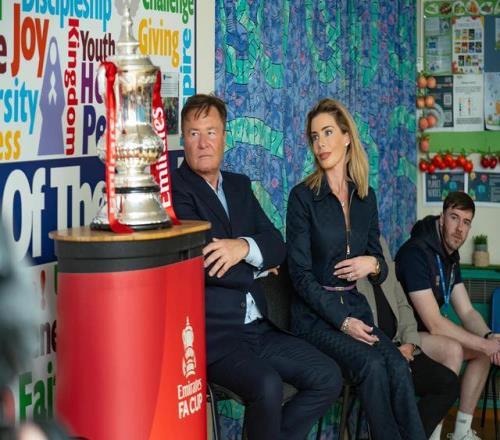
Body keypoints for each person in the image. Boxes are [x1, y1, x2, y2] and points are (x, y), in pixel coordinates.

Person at [171, 94, 342, 440]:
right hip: (215, 338)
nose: (203, 143)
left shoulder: (239, 185)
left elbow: (276, 245)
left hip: (260, 328)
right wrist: (258, 268)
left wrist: (243, 247)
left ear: (224, 137)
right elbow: (204, 265)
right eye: (193, 133)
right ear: (183, 139)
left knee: (328, 376)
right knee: (267, 385)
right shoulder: (175, 190)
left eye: (211, 132)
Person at [286, 98, 426, 440]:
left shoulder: (366, 197)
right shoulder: (302, 197)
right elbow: (300, 276)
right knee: (373, 365)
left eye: (328, 133)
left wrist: (372, 263)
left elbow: (381, 269)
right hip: (315, 319)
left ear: (347, 137)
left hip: (355, 307)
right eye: (314, 136)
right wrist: (343, 321)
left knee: (397, 365)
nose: (320, 144)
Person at [396, 191, 500, 440]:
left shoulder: (449, 257)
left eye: (466, 222)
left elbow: (467, 311)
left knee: (482, 353)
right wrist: (485, 344)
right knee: (452, 349)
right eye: (454, 218)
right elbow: (435, 324)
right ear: (442, 218)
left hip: (427, 335)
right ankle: (432, 434)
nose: (459, 228)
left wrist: (489, 337)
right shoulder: (416, 252)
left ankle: (462, 432)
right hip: (403, 335)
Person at [358, 237, 460, 439]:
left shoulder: (379, 243)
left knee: (448, 384)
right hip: (372, 351)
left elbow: (402, 304)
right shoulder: (344, 246)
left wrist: (410, 344)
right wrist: (390, 352)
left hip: (400, 345)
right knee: (395, 387)